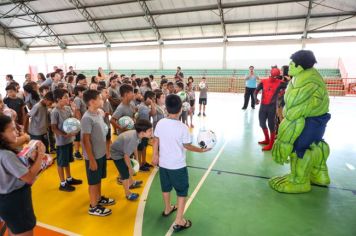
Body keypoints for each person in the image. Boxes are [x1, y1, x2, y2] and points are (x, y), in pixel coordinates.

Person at [269, 50, 331, 194]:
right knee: (315, 144)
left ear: (300, 66)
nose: (289, 66)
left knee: (299, 148)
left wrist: (283, 140)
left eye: (292, 63)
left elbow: (295, 112)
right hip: (317, 121)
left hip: (308, 121)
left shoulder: (306, 83)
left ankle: (299, 181)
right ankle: (319, 174)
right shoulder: (307, 78)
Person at [152, 94, 211, 233]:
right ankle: (179, 220)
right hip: (177, 166)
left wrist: (155, 155)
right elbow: (188, 146)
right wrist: (202, 150)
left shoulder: (160, 123)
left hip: (163, 164)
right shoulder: (183, 128)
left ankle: (167, 209)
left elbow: (156, 140)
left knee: (165, 187)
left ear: (166, 108)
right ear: (180, 110)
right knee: (181, 191)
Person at [0, 115, 46, 236]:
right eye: (12, 129)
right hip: (16, 201)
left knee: (13, 230)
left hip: (4, 200)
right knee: (24, 231)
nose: (16, 133)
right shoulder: (6, 155)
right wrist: (40, 155)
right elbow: (29, 177)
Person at [81, 89, 115, 216]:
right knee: (93, 182)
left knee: (98, 178)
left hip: (100, 154)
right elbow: (86, 140)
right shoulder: (87, 118)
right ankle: (93, 206)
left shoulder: (98, 113)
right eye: (100, 98)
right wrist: (91, 159)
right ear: (92, 102)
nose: (102, 100)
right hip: (93, 156)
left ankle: (99, 198)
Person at [111, 119, 152, 201]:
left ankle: (132, 182)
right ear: (142, 133)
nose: (151, 132)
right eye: (150, 131)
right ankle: (128, 193)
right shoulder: (132, 138)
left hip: (123, 151)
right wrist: (130, 169)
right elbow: (126, 156)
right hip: (117, 154)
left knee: (127, 168)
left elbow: (135, 146)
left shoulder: (137, 135)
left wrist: (137, 159)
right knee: (125, 173)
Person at [51, 89, 83, 192]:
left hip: (69, 140)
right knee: (61, 163)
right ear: (58, 99)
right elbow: (54, 128)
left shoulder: (68, 108)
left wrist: (74, 110)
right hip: (61, 142)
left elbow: (72, 121)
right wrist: (65, 135)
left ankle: (69, 179)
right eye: (65, 97)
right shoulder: (55, 112)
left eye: (67, 96)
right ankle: (62, 183)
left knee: (67, 161)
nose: (68, 98)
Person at [254, 67, 286, 151]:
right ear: (270, 74)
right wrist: (255, 98)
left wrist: (282, 93)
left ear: (278, 76)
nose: (274, 78)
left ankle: (271, 144)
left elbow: (290, 87)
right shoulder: (263, 81)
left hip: (272, 107)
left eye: (275, 77)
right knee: (262, 123)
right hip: (263, 107)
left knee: (271, 125)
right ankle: (267, 139)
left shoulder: (280, 83)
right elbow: (256, 91)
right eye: (272, 76)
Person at [137, 91, 156, 171]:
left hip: (144, 131)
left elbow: (152, 113)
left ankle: (144, 162)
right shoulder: (143, 107)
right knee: (140, 148)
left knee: (144, 147)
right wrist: (152, 104)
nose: (154, 100)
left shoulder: (145, 106)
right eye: (152, 99)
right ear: (148, 98)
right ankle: (140, 164)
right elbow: (153, 113)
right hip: (142, 131)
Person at [98, 86, 113, 159]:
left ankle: (107, 154)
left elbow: (111, 112)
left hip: (107, 125)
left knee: (108, 139)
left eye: (108, 92)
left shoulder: (108, 103)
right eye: (105, 92)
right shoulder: (97, 104)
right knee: (100, 141)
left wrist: (108, 113)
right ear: (100, 94)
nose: (108, 94)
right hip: (100, 126)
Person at [73, 86, 87, 160]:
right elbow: (77, 110)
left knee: (81, 137)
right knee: (77, 137)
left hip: (82, 120)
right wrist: (80, 121)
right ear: (79, 92)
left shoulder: (81, 99)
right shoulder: (77, 99)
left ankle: (82, 152)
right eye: (83, 91)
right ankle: (76, 152)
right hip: (79, 121)